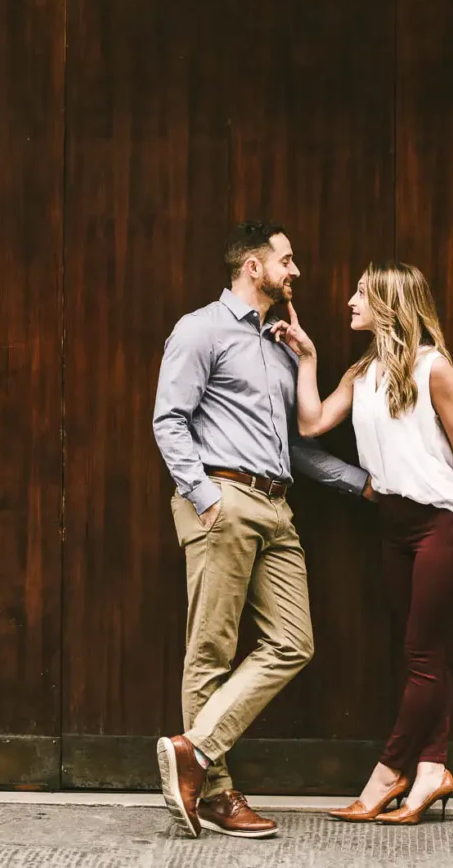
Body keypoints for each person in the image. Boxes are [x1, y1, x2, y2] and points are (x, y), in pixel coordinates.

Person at [151, 220, 374, 840]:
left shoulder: (280, 346)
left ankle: (194, 749)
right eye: (287, 259)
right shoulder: (200, 329)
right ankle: (215, 794)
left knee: (293, 642)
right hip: (223, 498)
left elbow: (295, 444)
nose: (295, 270)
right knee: (211, 651)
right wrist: (205, 497)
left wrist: (359, 483)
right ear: (253, 266)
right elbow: (170, 420)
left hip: (278, 506)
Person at [277, 261, 453, 825]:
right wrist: (308, 358)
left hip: (440, 523)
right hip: (394, 527)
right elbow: (311, 423)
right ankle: (432, 769)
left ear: (390, 304)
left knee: (422, 657)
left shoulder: (434, 368)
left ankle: (389, 772)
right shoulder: (362, 371)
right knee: (424, 655)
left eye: (361, 293)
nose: (350, 301)